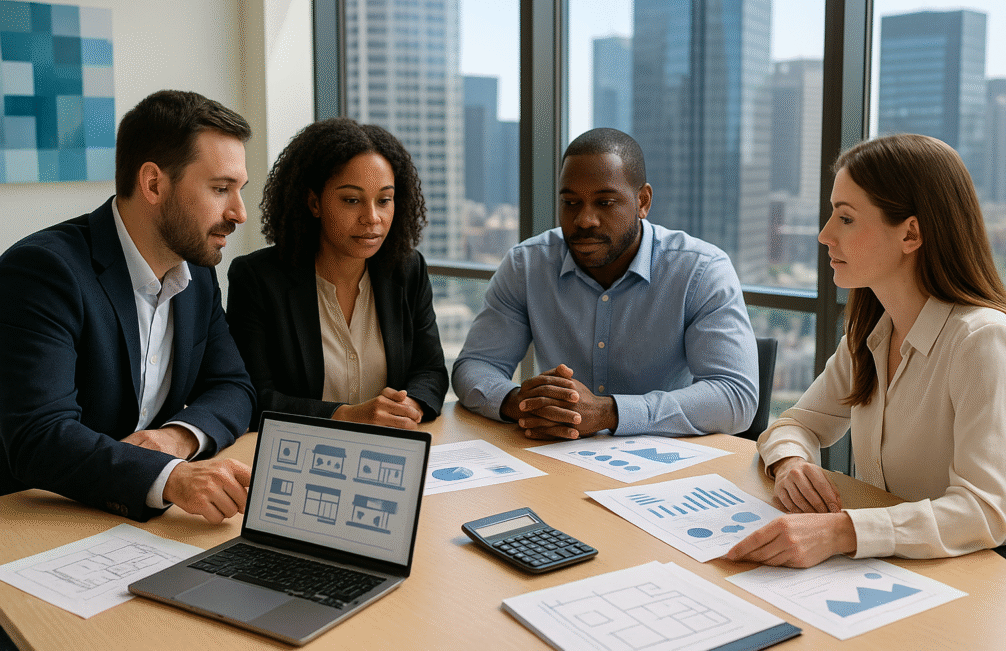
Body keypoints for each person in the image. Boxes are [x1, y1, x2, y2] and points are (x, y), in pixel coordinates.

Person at [725, 134, 1006, 568]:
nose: (825, 234)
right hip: (889, 564)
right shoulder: (870, 334)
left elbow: (983, 511)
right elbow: (795, 424)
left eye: (846, 218)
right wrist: (791, 464)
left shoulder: (982, 340)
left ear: (911, 233)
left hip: (980, 571)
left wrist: (841, 531)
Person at [0, 90, 256, 524]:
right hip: (37, 517)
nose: (239, 212)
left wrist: (176, 439)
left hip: (128, 521)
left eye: (239, 190)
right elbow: (40, 436)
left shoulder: (197, 274)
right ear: (153, 183)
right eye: (220, 189)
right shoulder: (43, 271)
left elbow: (234, 386)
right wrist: (170, 478)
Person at [452, 128, 758, 439]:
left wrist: (608, 412)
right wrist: (523, 403)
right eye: (570, 203)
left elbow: (735, 397)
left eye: (605, 203)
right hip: (555, 457)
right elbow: (475, 365)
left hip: (663, 464)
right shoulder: (526, 265)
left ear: (643, 201)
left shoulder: (701, 270)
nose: (585, 220)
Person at [226, 118, 447, 430]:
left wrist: (409, 406)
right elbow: (253, 396)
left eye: (384, 200)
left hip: (391, 450)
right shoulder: (258, 278)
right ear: (314, 202)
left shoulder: (407, 270)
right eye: (351, 200)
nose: (372, 218)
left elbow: (431, 370)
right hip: (300, 454)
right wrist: (346, 416)